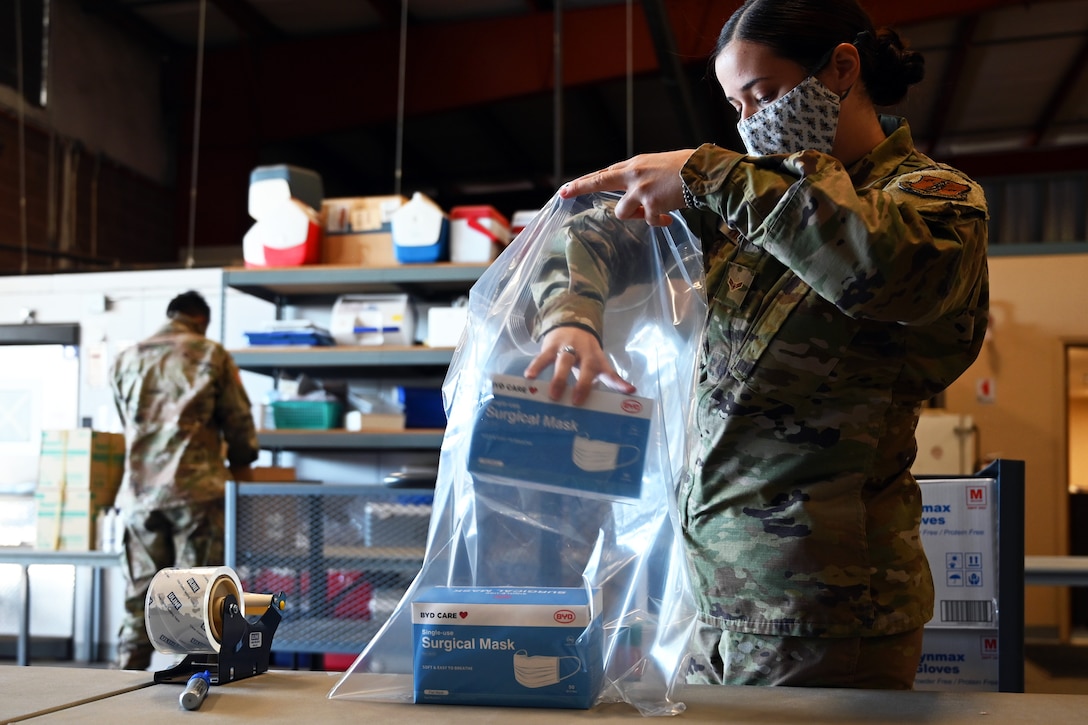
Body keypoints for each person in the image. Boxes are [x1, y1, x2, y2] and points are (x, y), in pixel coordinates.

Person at [524, 0, 988, 689]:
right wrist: (572, 317)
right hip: (708, 598)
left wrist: (714, 173)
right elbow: (592, 235)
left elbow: (875, 269)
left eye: (765, 94)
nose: (750, 122)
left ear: (841, 68)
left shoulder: (933, 199)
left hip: (826, 610)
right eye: (735, 106)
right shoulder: (745, 208)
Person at [110, 290, 259, 670]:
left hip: (141, 495)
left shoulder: (126, 359)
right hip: (198, 495)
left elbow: (128, 424)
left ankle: (118, 689)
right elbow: (239, 422)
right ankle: (195, 691)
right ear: (201, 320)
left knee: (139, 599)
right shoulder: (210, 353)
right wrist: (242, 465)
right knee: (197, 606)